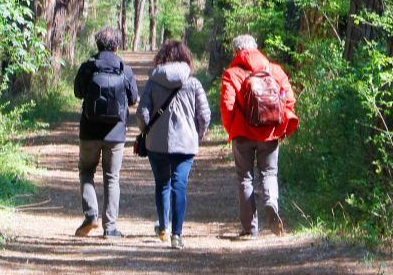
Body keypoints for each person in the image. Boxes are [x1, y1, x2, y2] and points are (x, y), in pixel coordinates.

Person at [220, 34, 298, 238]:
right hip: (270, 132)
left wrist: (232, 129)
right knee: (269, 173)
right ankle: (271, 202)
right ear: (256, 48)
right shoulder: (275, 70)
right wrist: (280, 125)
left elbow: (227, 106)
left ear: (236, 51)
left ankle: (250, 228)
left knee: (244, 178)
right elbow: (289, 99)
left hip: (242, 133)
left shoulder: (232, 74)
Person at [139, 40, 211, 250]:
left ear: (161, 58)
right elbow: (204, 115)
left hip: (156, 143)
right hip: (185, 143)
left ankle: (163, 226)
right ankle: (176, 235)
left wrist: (146, 132)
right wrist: (198, 135)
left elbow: (143, 112)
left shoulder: (153, 82)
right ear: (185, 58)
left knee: (162, 183)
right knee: (179, 185)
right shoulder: (193, 83)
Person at [73, 26, 139, 238]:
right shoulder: (124, 69)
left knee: (86, 171)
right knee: (112, 178)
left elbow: (77, 92)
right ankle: (110, 228)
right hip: (116, 133)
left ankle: (91, 214)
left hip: (89, 130)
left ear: (98, 45)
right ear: (116, 46)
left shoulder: (88, 67)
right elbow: (133, 99)